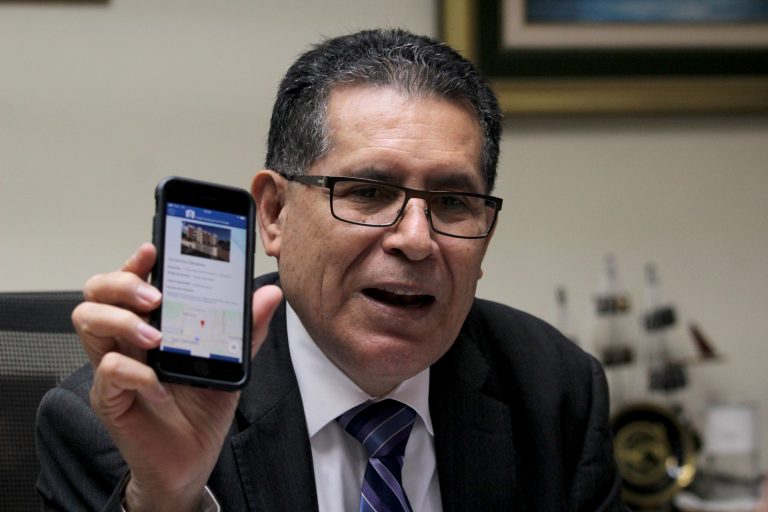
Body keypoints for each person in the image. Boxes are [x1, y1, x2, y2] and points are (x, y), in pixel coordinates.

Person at [36, 29, 625, 511]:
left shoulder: (555, 390)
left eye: (452, 202)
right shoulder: (121, 421)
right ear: (274, 214)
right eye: (368, 192)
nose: (416, 240)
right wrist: (169, 498)